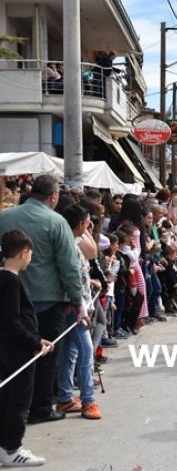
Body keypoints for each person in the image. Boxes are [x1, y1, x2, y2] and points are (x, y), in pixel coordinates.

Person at [0, 175, 84, 424]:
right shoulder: (56, 222)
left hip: (10, 297)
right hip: (48, 300)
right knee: (46, 357)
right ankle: (41, 408)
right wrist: (78, 299)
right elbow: (69, 265)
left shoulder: (5, 217)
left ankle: (12, 409)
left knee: (12, 358)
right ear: (53, 196)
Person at [0, 230, 52, 467]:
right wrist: (35, 341)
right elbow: (12, 321)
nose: (30, 258)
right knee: (19, 400)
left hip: (10, 349)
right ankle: (13, 448)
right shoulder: (11, 281)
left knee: (8, 398)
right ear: (23, 253)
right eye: (30, 253)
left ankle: (5, 446)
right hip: (18, 352)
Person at [56, 204, 102, 420]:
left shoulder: (72, 242)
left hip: (78, 302)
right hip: (74, 307)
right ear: (79, 224)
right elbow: (70, 276)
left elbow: (81, 271)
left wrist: (89, 280)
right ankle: (88, 400)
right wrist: (81, 307)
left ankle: (65, 397)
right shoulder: (69, 246)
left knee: (71, 352)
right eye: (86, 222)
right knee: (85, 351)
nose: (89, 226)